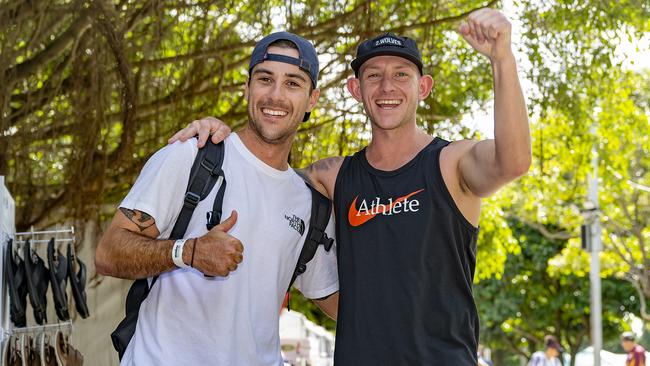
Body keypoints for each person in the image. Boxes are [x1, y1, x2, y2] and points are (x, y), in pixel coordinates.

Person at [171, 8, 531, 365]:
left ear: (423, 87)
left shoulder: (452, 163)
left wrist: (502, 58)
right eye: (373, 75)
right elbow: (262, 170)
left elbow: (513, 161)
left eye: (401, 74)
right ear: (355, 89)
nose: (387, 86)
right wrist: (215, 133)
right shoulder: (332, 176)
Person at [95, 32, 339, 366]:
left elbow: (339, 303)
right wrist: (188, 252)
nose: (276, 95)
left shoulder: (309, 204)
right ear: (247, 88)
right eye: (265, 79)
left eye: (293, 83)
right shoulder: (193, 155)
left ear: (312, 100)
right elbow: (108, 253)